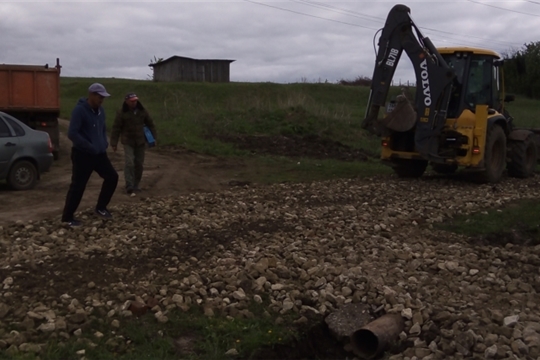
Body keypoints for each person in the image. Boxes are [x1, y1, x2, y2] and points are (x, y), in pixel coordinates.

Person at [61, 83, 119, 226]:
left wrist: (104, 142)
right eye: (100, 97)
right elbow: (72, 133)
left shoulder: (101, 111)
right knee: (78, 186)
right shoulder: (79, 111)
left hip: (99, 154)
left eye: (103, 97)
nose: (102, 100)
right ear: (92, 95)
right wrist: (89, 146)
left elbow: (103, 127)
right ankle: (67, 218)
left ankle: (101, 207)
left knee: (112, 177)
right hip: (82, 154)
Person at [110, 93, 157, 195]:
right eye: (132, 101)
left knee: (139, 164)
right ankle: (129, 185)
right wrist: (114, 143)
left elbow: (151, 124)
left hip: (140, 141)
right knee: (129, 162)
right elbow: (116, 128)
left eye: (135, 100)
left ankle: (136, 185)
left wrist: (153, 138)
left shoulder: (142, 111)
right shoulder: (122, 113)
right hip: (128, 142)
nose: (134, 102)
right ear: (126, 101)